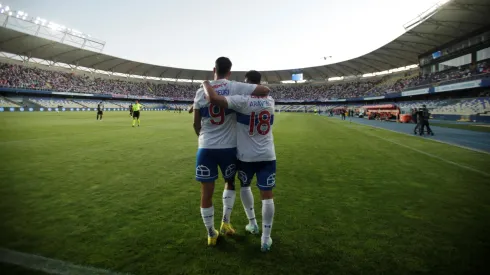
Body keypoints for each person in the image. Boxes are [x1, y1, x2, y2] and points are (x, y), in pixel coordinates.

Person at [193, 57, 270, 246]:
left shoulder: (199, 92)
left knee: (206, 193)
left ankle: (211, 234)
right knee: (230, 183)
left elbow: (195, 124)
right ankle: (225, 222)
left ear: (214, 69)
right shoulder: (235, 87)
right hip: (228, 148)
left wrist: (203, 139)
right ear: (229, 72)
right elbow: (263, 90)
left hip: (206, 148)